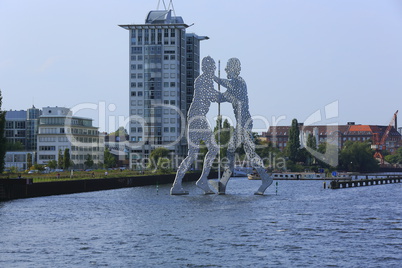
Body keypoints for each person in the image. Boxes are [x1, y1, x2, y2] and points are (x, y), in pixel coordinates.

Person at [214, 58, 273, 195]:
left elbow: (226, 84)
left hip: (245, 124)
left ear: (233, 69)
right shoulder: (233, 89)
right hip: (241, 125)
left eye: (228, 69)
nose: (226, 71)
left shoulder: (239, 83)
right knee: (231, 151)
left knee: (250, 153)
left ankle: (265, 179)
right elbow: (220, 97)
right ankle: (222, 185)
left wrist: (214, 77)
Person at [170, 56, 224, 195]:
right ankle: (199, 181)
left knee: (196, 153)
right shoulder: (202, 80)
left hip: (198, 118)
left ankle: (187, 183)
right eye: (212, 67)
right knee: (208, 150)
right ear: (207, 68)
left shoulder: (205, 80)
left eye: (214, 68)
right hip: (197, 118)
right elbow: (212, 96)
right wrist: (228, 96)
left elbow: (213, 96)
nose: (214, 70)